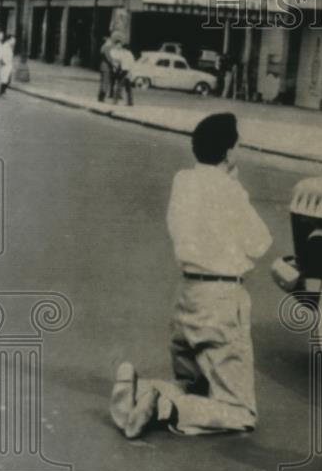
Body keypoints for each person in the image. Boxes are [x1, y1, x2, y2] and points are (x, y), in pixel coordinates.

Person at [109, 113, 272, 438]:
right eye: (236, 145)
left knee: (195, 385)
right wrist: (235, 184)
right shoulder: (230, 190)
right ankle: (167, 407)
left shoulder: (182, 181)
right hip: (222, 302)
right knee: (240, 410)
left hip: (187, 299)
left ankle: (141, 388)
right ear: (228, 153)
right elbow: (260, 242)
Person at [108, 36, 135, 107]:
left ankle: (115, 101)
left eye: (123, 48)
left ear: (125, 49)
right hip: (129, 72)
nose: (122, 49)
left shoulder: (124, 54)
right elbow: (132, 64)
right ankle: (130, 102)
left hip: (124, 71)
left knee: (119, 86)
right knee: (128, 88)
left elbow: (117, 59)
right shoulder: (131, 55)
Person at [98, 35, 114, 103]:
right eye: (110, 40)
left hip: (102, 65)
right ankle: (102, 98)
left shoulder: (103, 47)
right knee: (105, 82)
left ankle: (100, 97)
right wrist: (113, 64)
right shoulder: (107, 48)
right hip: (106, 66)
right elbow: (109, 58)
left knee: (102, 82)